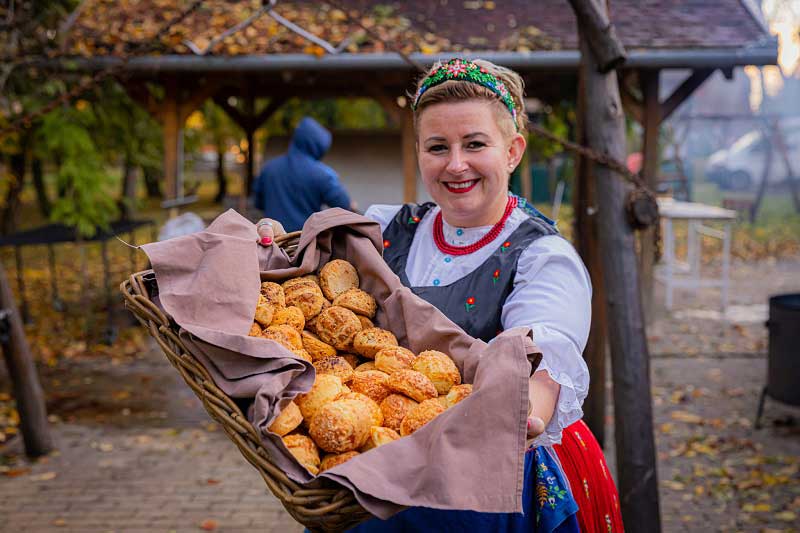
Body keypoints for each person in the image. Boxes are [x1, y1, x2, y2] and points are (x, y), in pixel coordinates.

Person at [257, 58, 623, 532]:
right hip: (372, 475)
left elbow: (542, 368)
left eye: (475, 144)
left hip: (486, 485)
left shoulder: (543, 258)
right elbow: (308, 291)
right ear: (419, 152)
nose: (455, 164)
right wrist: (272, 251)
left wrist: (524, 409)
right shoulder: (383, 228)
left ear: (513, 151)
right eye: (437, 147)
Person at [251, 116, 355, 233]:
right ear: (319, 147)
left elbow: (258, 203)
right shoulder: (323, 174)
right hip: (306, 241)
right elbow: (345, 206)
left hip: (275, 240)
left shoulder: (268, 169)